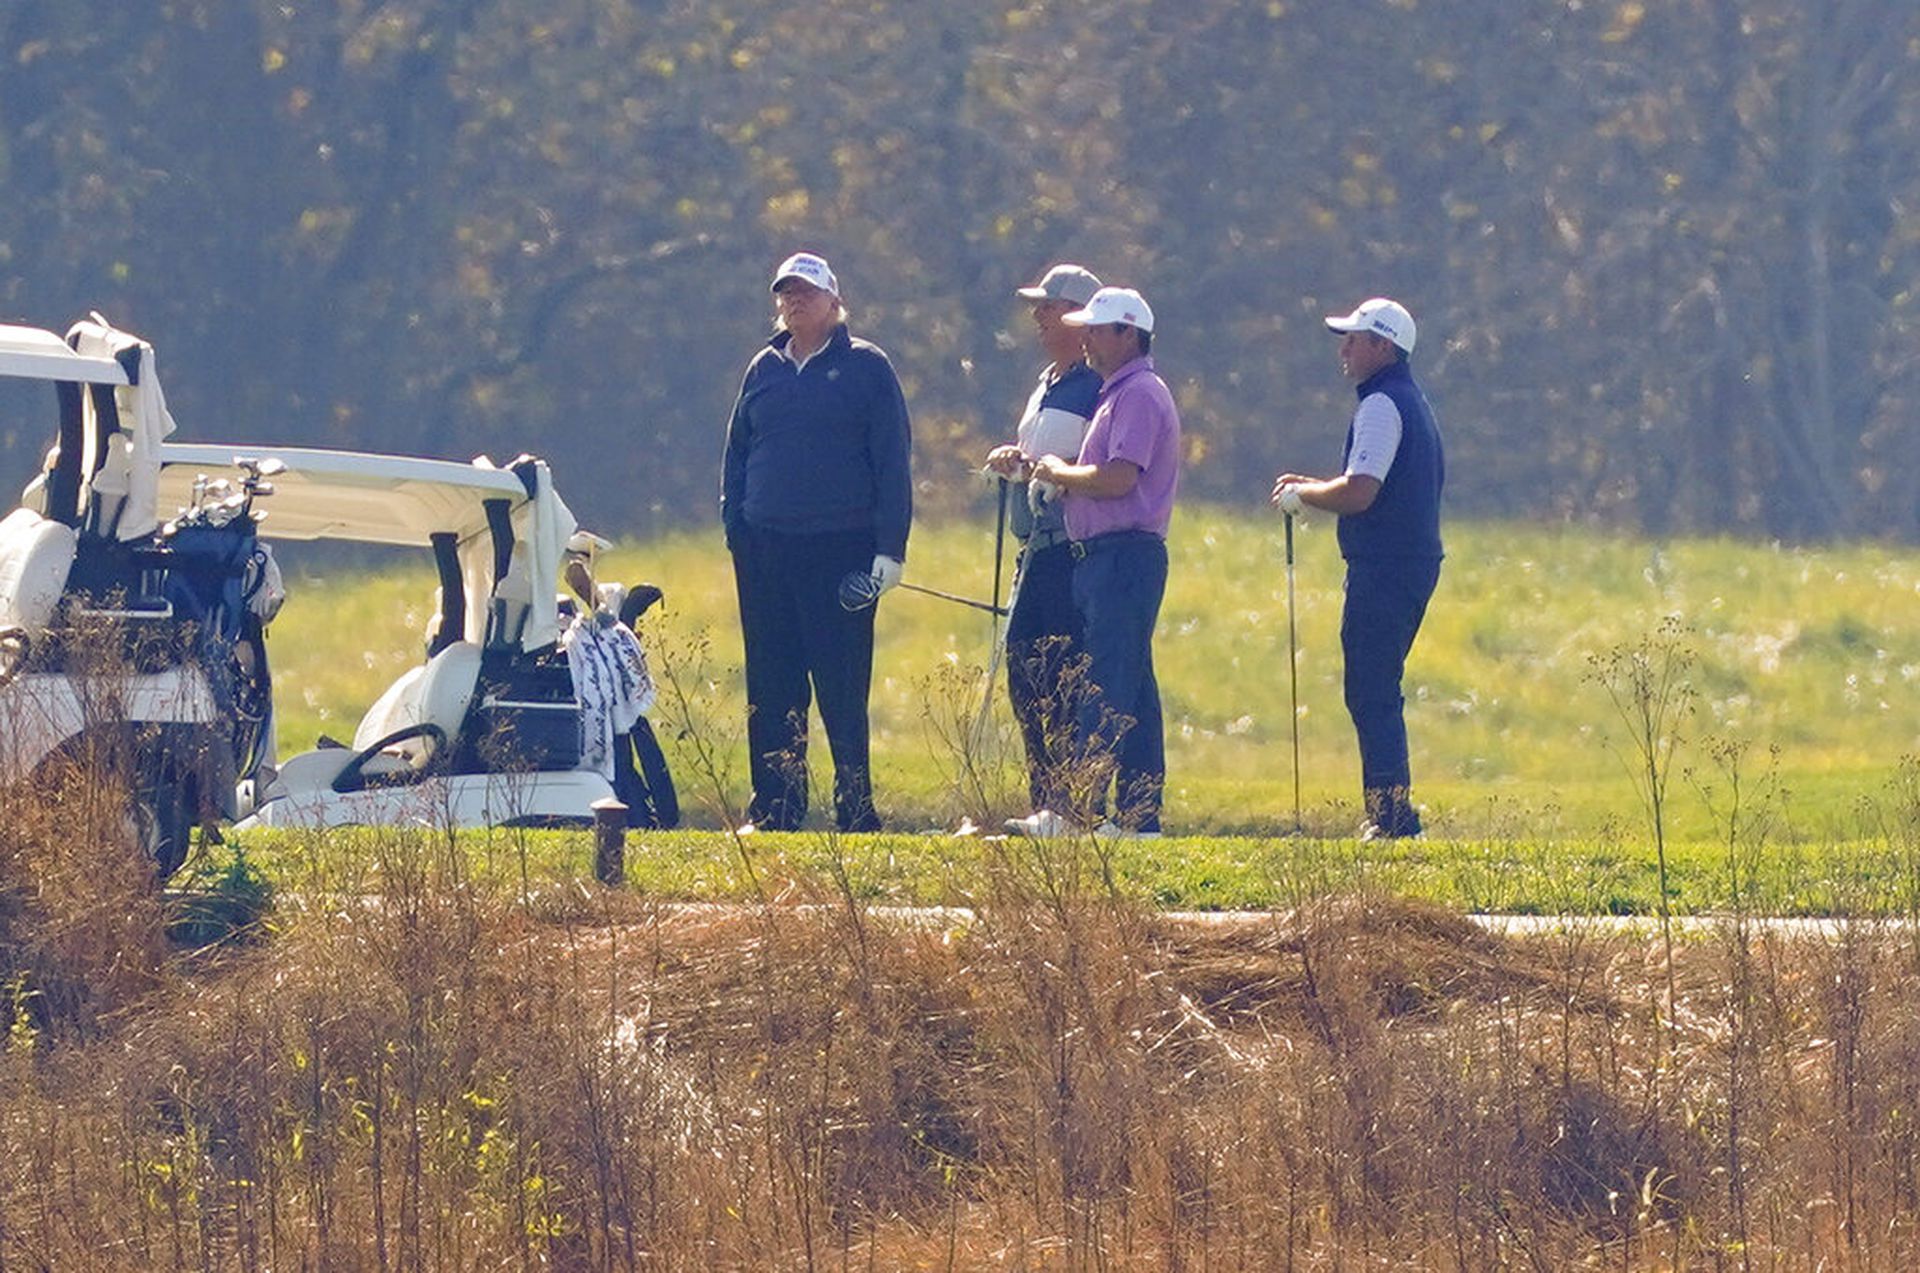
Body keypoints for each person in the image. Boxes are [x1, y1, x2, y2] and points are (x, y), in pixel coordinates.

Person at [720, 251, 913, 832]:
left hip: (841, 549)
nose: (794, 301)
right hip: (766, 550)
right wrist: (737, 529)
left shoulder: (866, 367)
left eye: (805, 292)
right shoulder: (765, 368)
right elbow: (738, 453)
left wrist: (889, 552)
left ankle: (855, 808)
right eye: (785, 293)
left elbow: (891, 461)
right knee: (772, 682)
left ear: (834, 301)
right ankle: (776, 807)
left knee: (841, 683)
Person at [1007, 286, 1180, 839]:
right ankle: (1138, 816)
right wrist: (1054, 475)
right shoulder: (1115, 392)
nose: (1085, 338)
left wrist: (1056, 472)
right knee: (1134, 684)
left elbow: (1117, 478)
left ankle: (1075, 808)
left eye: (1097, 330)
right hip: (1106, 556)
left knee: (1105, 680)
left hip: (1124, 554)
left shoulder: (1139, 394)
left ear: (1128, 335)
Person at [1272, 296, 1444, 840]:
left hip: (1388, 566)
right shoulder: (1405, 399)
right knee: (1374, 686)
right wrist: (1313, 490)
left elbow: (1360, 492)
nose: (1344, 349)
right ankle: (1390, 815)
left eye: (1354, 339)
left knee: (1371, 689)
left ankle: (1394, 821)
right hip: (1407, 562)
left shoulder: (1381, 405)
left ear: (1384, 346)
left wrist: (1305, 494)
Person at [983, 263, 1104, 817]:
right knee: (1025, 674)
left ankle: (1070, 804)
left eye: (1048, 307)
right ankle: (1045, 801)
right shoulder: (1046, 383)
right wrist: (1013, 457)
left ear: (1079, 318)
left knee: (1061, 678)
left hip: (1068, 554)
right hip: (1031, 551)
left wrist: (1042, 468)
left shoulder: (1097, 385)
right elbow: (1041, 455)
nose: (1036, 315)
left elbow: (1096, 464)